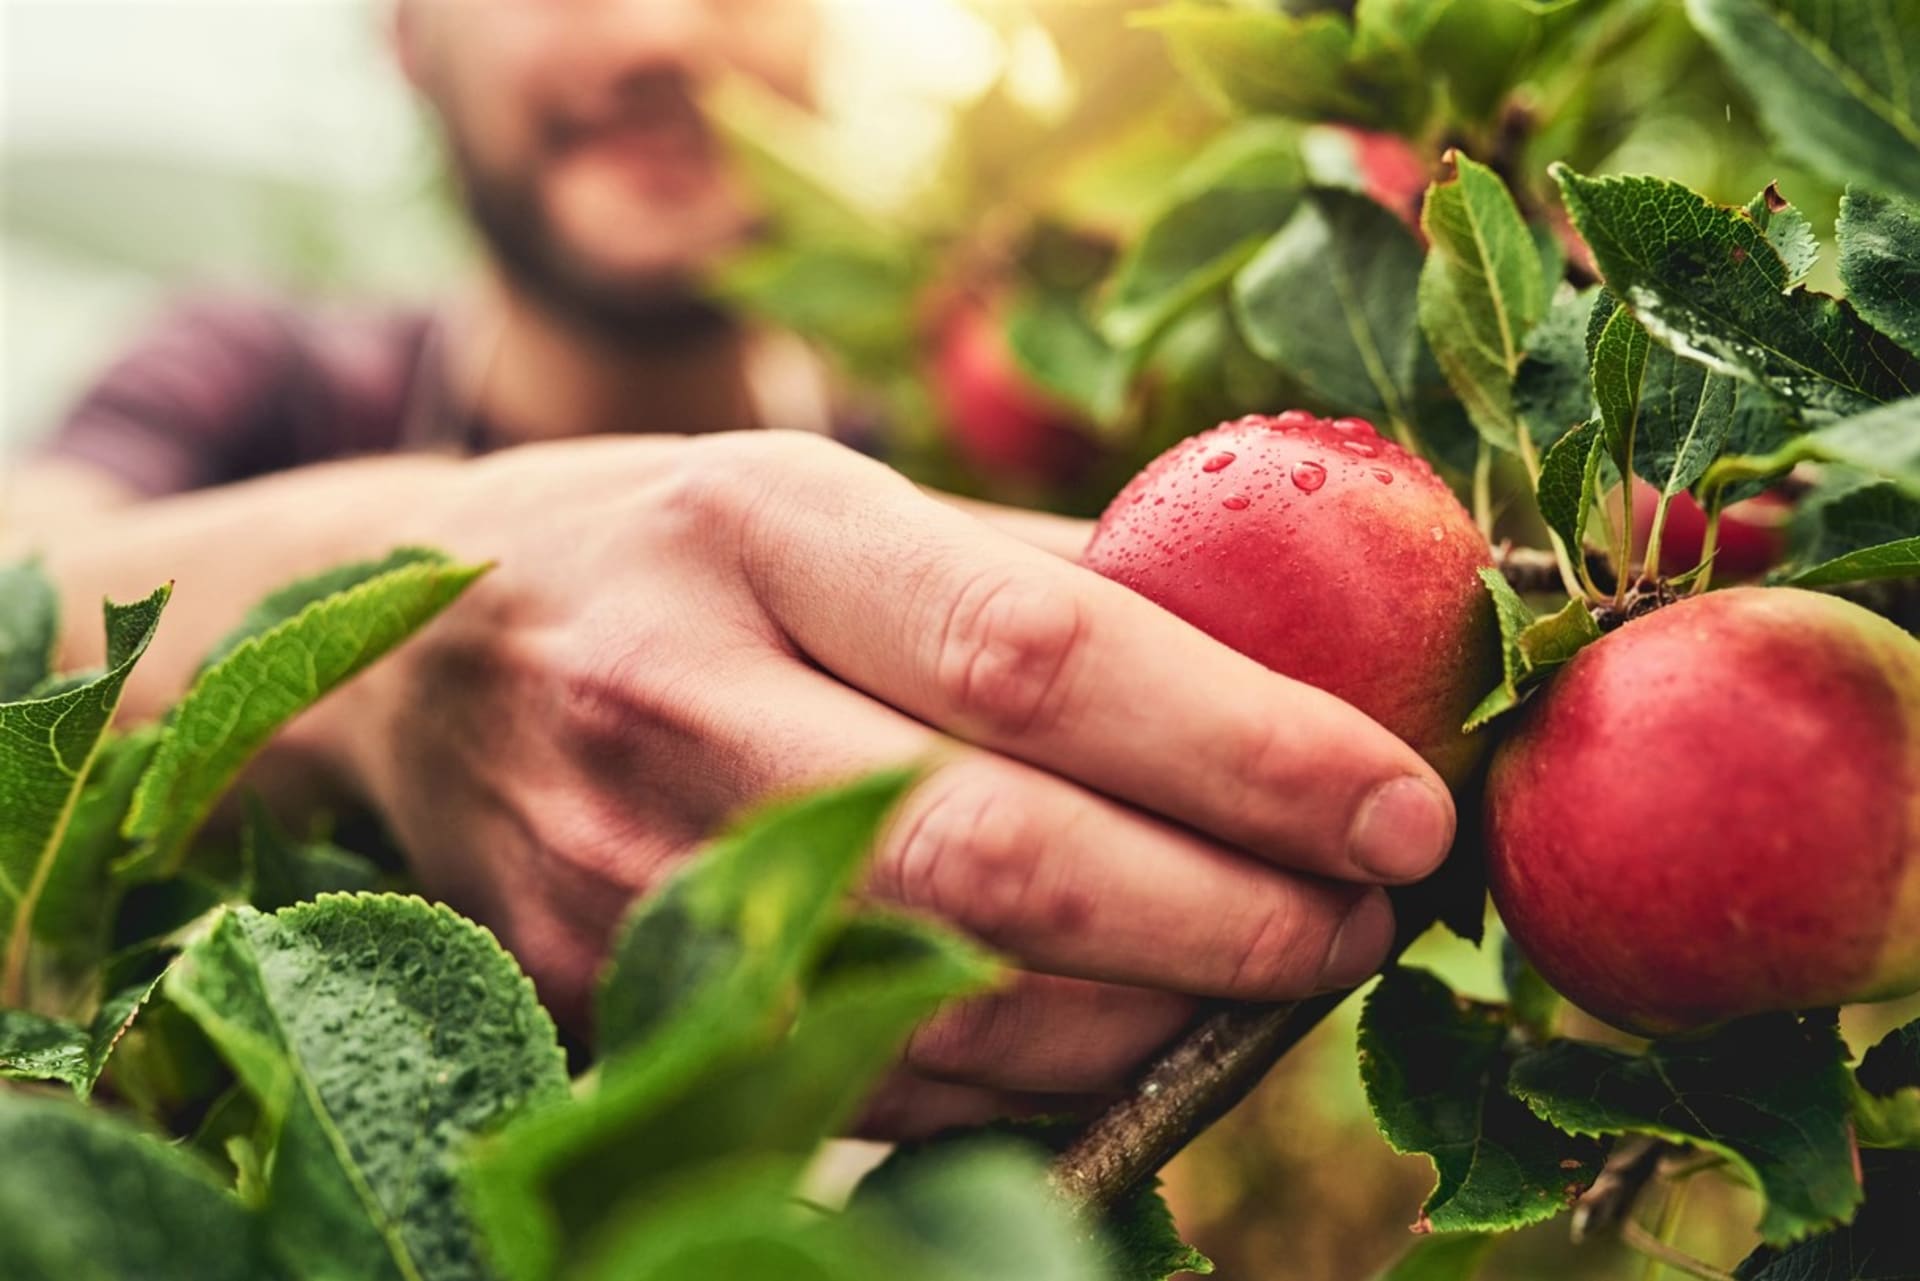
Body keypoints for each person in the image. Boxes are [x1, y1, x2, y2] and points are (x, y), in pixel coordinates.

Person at [3, 0, 1454, 1137]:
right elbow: (30, 584)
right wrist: (400, 642)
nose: (659, 30)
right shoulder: (258, 391)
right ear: (408, 32)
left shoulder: (947, 514)